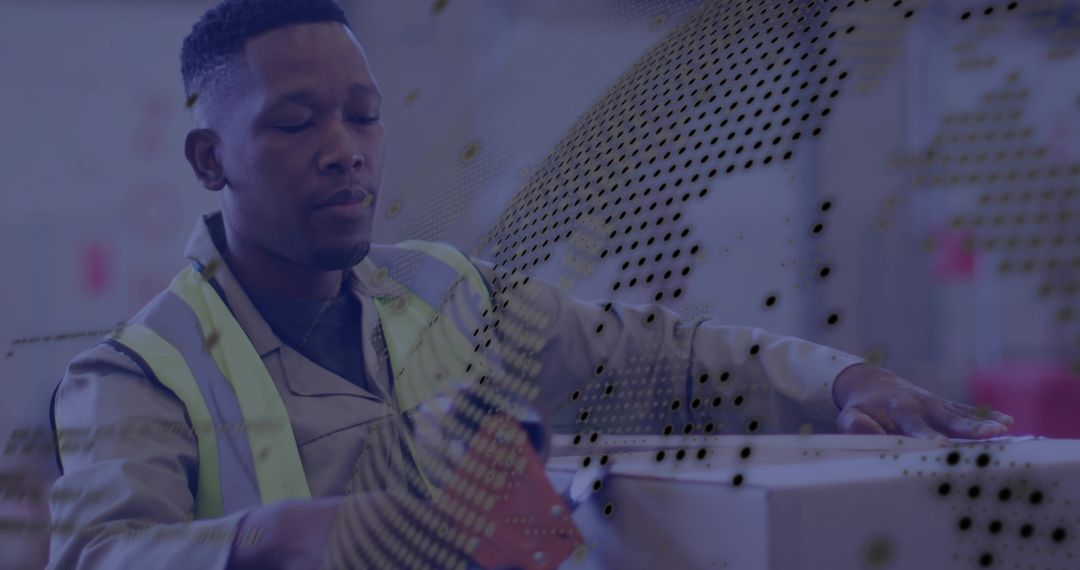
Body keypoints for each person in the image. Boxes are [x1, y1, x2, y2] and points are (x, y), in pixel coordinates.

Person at [46, 0, 1014, 568]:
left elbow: (667, 352)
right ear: (210, 159)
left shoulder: (447, 291)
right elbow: (97, 556)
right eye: (295, 123)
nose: (345, 153)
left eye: (362, 114)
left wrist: (845, 380)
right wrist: (327, 531)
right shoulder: (136, 373)